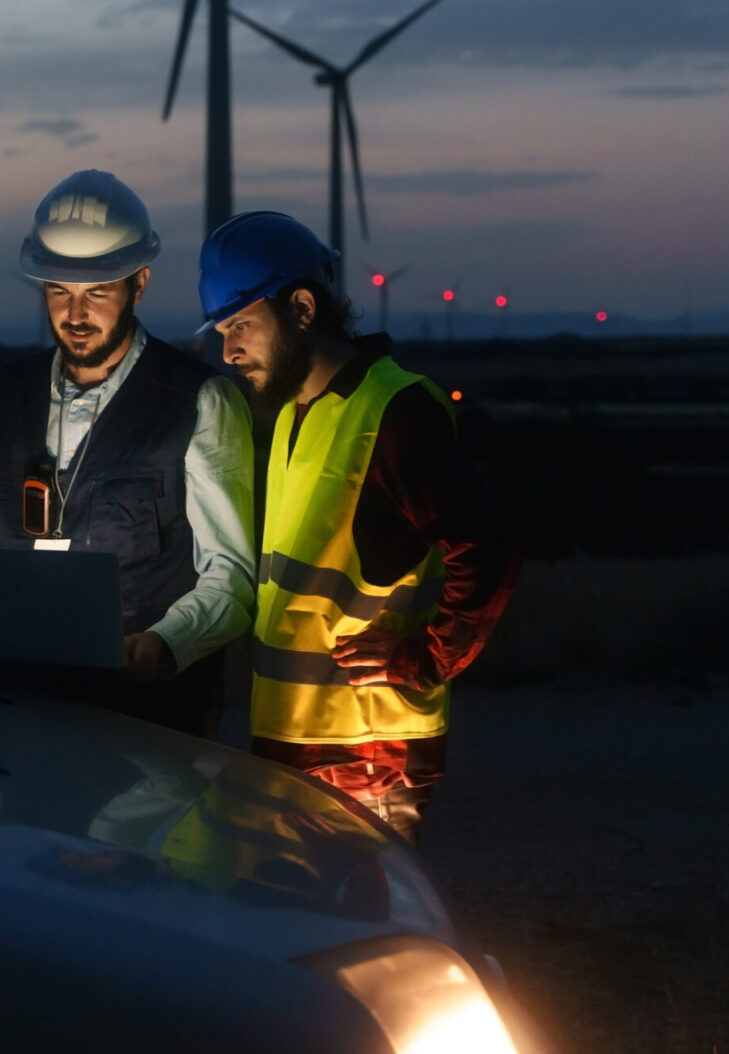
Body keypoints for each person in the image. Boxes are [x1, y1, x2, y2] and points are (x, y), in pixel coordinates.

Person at [197, 211, 519, 845]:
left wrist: (425, 658)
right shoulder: (297, 412)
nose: (228, 351)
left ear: (302, 309)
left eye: (240, 327)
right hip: (301, 743)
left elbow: (488, 549)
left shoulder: (395, 412)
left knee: (364, 939)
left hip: (365, 756)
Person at [0, 170, 255, 736]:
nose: (75, 314)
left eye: (97, 292)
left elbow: (231, 573)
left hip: (154, 722)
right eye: (59, 291)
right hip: (23, 710)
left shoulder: (199, 399)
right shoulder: (3, 392)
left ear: (139, 284)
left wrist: (165, 644)